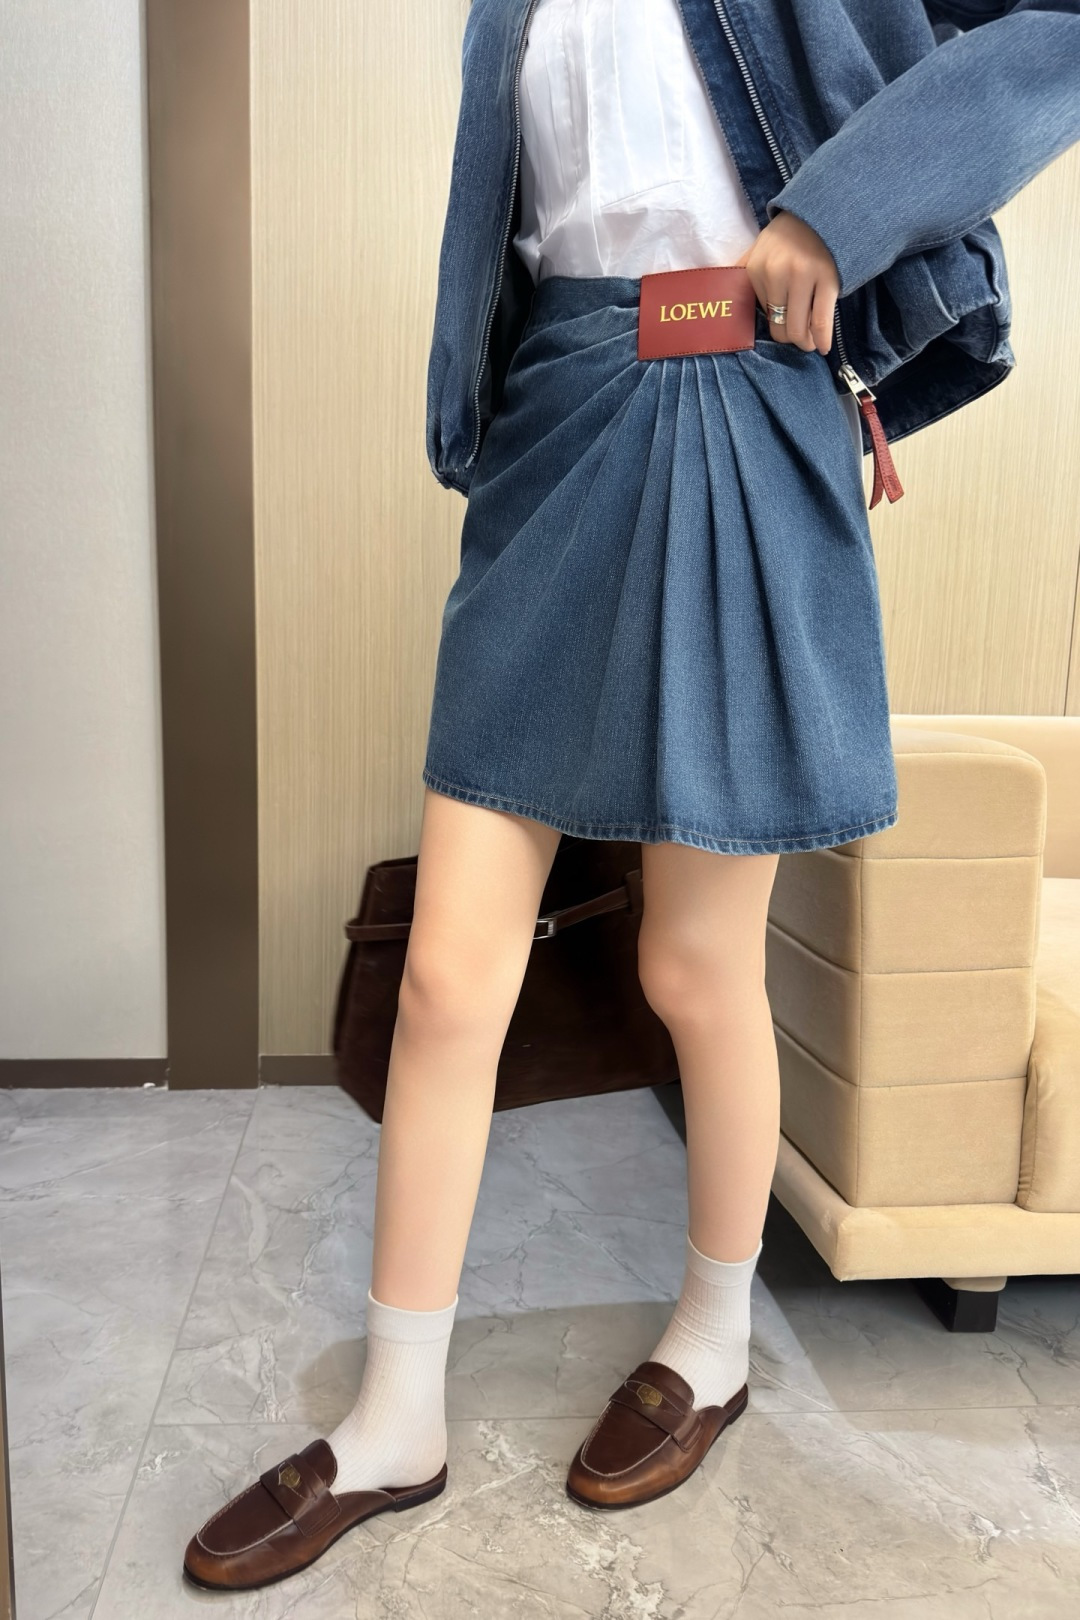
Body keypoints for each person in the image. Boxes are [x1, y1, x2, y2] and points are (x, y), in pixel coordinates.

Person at [183, 0, 1080, 1590]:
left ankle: (715, 1342)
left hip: (745, 398)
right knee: (448, 977)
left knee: (692, 963)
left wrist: (839, 214)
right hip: (561, 408)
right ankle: (394, 1417)